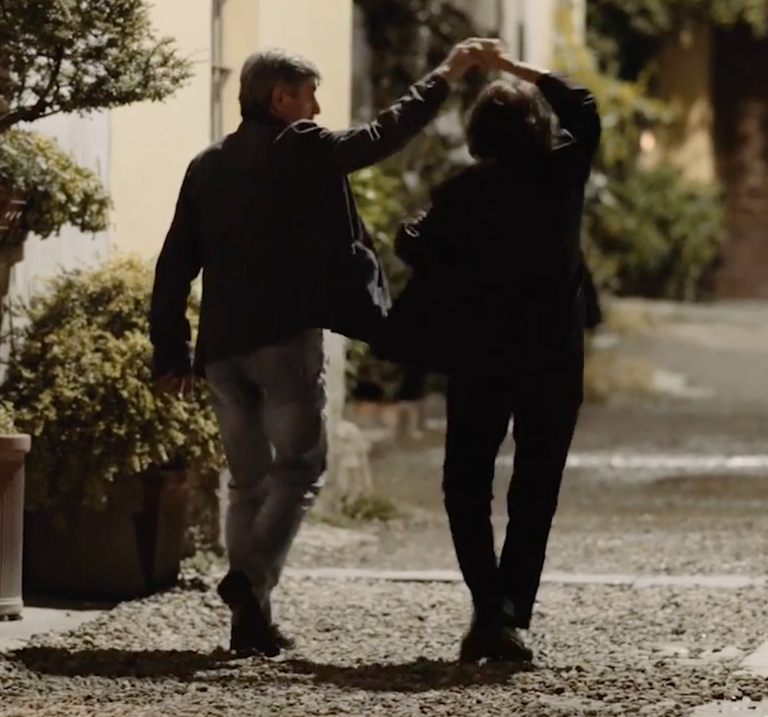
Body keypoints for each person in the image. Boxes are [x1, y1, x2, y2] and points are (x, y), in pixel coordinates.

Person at [149, 40, 500, 658]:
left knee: (248, 484)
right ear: (279, 99)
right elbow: (380, 137)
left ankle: (249, 622)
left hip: (223, 349)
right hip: (283, 342)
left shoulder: (206, 165)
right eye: (308, 93)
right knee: (302, 470)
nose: (317, 105)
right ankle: (250, 580)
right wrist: (445, 75)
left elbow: (175, 262)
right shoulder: (301, 148)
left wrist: (171, 350)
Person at [374, 53, 601, 662]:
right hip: (554, 355)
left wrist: (411, 239)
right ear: (538, 128)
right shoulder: (564, 175)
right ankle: (509, 608)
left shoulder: (460, 195)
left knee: (466, 481)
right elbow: (585, 107)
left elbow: (428, 257)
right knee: (538, 482)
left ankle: (485, 602)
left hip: (481, 355)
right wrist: (516, 66)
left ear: (478, 134)